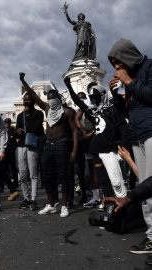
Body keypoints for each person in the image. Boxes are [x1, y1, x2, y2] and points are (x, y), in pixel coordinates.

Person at [108, 38, 152, 252]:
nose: (117, 68)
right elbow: (131, 112)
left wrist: (130, 82)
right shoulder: (130, 77)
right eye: (114, 65)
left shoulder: (149, 67)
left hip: (151, 132)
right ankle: (151, 235)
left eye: (119, 63)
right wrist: (116, 97)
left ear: (128, 56)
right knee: (144, 187)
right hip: (137, 136)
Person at [19, 72, 78, 217]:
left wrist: (74, 150)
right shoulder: (47, 109)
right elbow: (33, 95)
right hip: (48, 145)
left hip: (62, 144)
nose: (50, 101)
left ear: (58, 99)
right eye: (48, 99)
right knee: (47, 176)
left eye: (53, 98)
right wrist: (23, 80)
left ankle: (64, 206)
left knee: (63, 176)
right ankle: (51, 204)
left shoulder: (66, 113)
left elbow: (75, 132)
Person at [64, 78, 128, 199]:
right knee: (103, 180)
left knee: (116, 180)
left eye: (95, 97)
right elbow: (78, 102)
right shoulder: (93, 111)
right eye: (91, 97)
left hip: (109, 149)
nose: (93, 100)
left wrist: (122, 149)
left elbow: (122, 128)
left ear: (102, 95)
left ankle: (122, 203)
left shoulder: (113, 109)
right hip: (96, 149)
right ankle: (109, 202)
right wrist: (68, 86)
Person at [16, 79, 44, 211]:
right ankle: (25, 198)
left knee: (33, 173)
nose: (26, 101)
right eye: (25, 99)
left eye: (29, 99)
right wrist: (18, 131)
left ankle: (33, 199)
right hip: (21, 145)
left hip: (32, 145)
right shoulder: (20, 115)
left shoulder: (38, 114)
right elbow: (17, 132)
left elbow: (38, 129)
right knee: (22, 175)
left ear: (32, 101)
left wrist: (28, 116)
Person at [75, 83, 100, 207]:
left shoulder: (103, 102)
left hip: (100, 138)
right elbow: (77, 119)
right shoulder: (85, 105)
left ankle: (106, 195)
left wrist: (91, 132)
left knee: (103, 167)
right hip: (88, 140)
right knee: (91, 168)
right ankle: (96, 196)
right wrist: (84, 132)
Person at [3, 118, 19, 201]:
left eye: (8, 122)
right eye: (5, 122)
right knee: (5, 170)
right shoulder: (3, 131)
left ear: (10, 123)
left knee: (14, 170)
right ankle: (4, 187)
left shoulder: (14, 131)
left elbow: (17, 141)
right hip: (5, 153)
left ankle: (15, 185)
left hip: (12, 153)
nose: (6, 124)